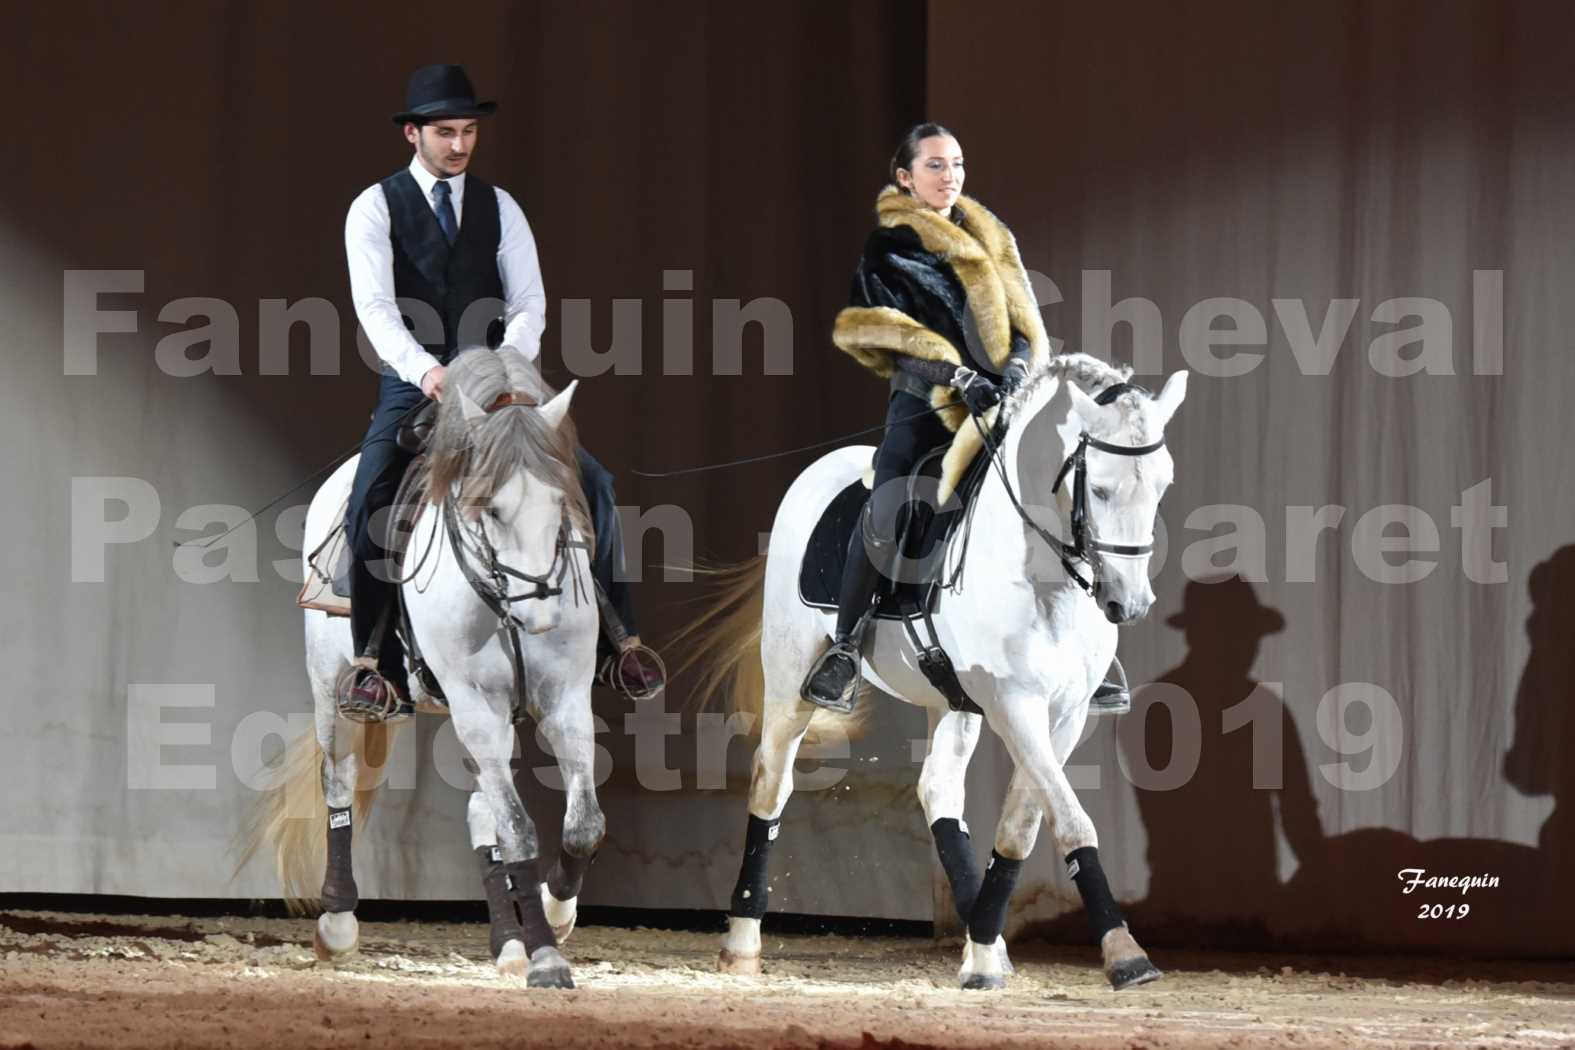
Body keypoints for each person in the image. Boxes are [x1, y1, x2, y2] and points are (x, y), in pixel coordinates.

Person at [342, 64, 660, 718]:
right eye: (444, 133)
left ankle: (618, 642)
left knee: (592, 482)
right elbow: (375, 307)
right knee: (372, 490)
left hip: (499, 384)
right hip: (418, 382)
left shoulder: (499, 206)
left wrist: (505, 364)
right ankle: (378, 664)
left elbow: (528, 302)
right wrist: (424, 369)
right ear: (412, 134)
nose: (458, 145)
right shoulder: (375, 207)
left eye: (467, 132)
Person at [804, 122, 1127, 714]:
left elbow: (1023, 318)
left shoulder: (991, 235)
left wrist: (1021, 364)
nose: (949, 175)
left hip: (1004, 403)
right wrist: (956, 377)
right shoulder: (891, 248)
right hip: (925, 404)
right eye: (934, 165)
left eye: (956, 164)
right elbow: (884, 334)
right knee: (890, 500)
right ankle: (845, 646)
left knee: (1060, 491)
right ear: (905, 178)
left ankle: (1091, 648)